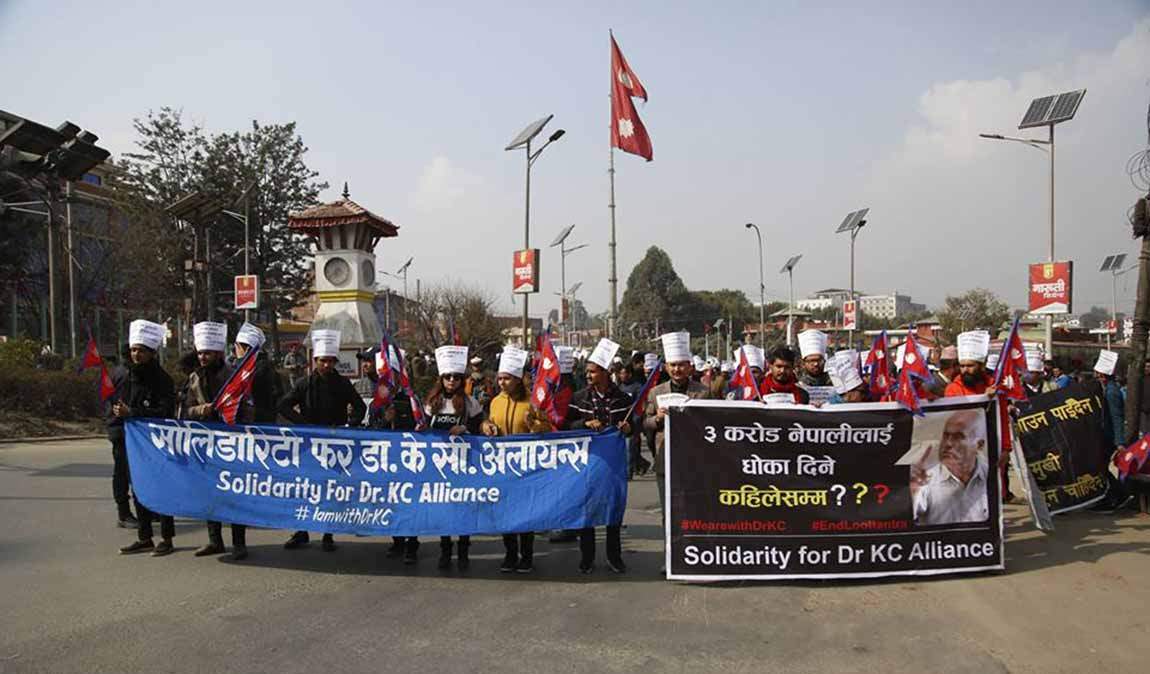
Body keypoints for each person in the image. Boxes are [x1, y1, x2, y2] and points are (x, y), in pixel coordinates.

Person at [278, 329, 366, 552]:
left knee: (331, 489)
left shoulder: (343, 384)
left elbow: (360, 407)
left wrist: (349, 427)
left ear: (335, 361)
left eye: (330, 361)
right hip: (309, 445)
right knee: (305, 488)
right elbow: (284, 405)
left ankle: (328, 533)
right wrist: (303, 424)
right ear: (315, 360)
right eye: (322, 361)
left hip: (335, 444)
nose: (327, 365)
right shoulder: (304, 383)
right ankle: (302, 531)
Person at [180, 321, 251, 560]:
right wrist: (202, 410)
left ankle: (239, 543)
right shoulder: (194, 379)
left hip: (230, 443)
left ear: (219, 353)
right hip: (204, 444)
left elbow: (244, 409)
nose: (202, 357)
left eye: (207, 353)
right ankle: (215, 541)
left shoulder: (233, 377)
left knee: (233, 494)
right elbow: (184, 411)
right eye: (200, 353)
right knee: (209, 493)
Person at [568, 338, 633, 574]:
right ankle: (587, 558)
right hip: (587, 462)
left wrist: (628, 428)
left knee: (613, 509)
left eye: (593, 372)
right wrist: (585, 423)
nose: (588, 376)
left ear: (606, 373)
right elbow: (567, 425)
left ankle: (614, 557)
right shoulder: (578, 398)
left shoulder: (623, 400)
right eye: (587, 372)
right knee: (588, 510)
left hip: (614, 463)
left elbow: (632, 424)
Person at [114, 320, 177, 556]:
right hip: (134, 443)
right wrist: (119, 411)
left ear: (151, 352)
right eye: (133, 350)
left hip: (157, 444)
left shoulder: (162, 379)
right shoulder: (130, 376)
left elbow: (165, 412)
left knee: (161, 490)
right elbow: (126, 405)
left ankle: (167, 539)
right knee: (138, 489)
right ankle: (145, 537)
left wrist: (134, 412)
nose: (136, 354)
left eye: (141, 350)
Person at [482, 347, 545, 573]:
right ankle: (510, 554)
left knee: (526, 513)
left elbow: (547, 428)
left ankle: (526, 555)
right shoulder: (495, 401)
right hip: (501, 464)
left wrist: (534, 425)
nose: (502, 383)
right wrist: (486, 426)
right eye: (500, 378)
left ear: (518, 380)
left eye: (507, 379)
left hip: (527, 465)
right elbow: (488, 421)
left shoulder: (532, 401)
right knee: (506, 512)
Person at [424, 344, 485, 570]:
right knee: (445, 509)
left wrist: (465, 429)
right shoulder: (432, 404)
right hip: (440, 465)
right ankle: (445, 550)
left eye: (456, 377)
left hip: (465, 464)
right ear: (441, 379)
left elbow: (480, 427)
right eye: (448, 377)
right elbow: (423, 430)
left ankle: (463, 550)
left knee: (464, 508)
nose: (452, 381)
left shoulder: (470, 403)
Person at [644, 332, 711, 529]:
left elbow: (711, 423)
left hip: (694, 461)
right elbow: (645, 424)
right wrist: (657, 418)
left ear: (690, 367)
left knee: (693, 511)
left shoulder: (703, 392)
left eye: (681, 364)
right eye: (673, 365)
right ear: (666, 367)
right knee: (669, 512)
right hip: (665, 459)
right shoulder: (656, 392)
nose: (677, 369)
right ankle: (670, 555)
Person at [366, 346, 421, 564]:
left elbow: (422, 425)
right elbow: (371, 431)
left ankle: (412, 545)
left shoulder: (411, 398)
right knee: (392, 503)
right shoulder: (377, 403)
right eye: (384, 377)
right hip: (386, 462)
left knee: (410, 504)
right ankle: (397, 541)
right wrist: (384, 419)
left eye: (392, 376)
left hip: (408, 461)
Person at [910, 409, 990, 525]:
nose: (948, 443)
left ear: (979, 445)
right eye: (945, 436)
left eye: (958, 437)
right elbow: (903, 521)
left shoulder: (990, 475)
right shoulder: (925, 479)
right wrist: (912, 492)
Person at [615, 361, 647, 478]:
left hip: (633, 422)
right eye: (621, 374)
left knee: (630, 448)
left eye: (625, 373)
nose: (622, 376)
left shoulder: (637, 386)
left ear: (630, 374)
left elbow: (640, 403)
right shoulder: (619, 387)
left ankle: (628, 473)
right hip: (621, 421)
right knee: (626, 448)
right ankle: (642, 464)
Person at [943, 331, 998, 398]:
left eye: (970, 365)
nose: (965, 370)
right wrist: (984, 398)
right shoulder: (953, 389)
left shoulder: (993, 385)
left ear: (982, 366)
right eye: (962, 366)